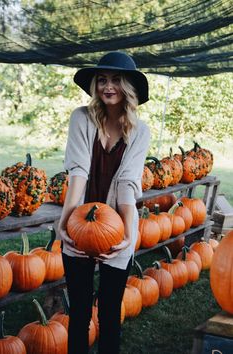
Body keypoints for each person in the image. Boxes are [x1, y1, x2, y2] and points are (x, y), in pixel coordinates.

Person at [58, 51, 150, 354]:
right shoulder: (81, 118)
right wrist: (65, 222)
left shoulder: (139, 131)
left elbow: (127, 183)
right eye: (102, 80)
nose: (107, 86)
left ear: (127, 87)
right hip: (79, 223)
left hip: (117, 226)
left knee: (110, 313)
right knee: (80, 312)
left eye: (115, 80)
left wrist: (126, 235)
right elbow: (79, 172)